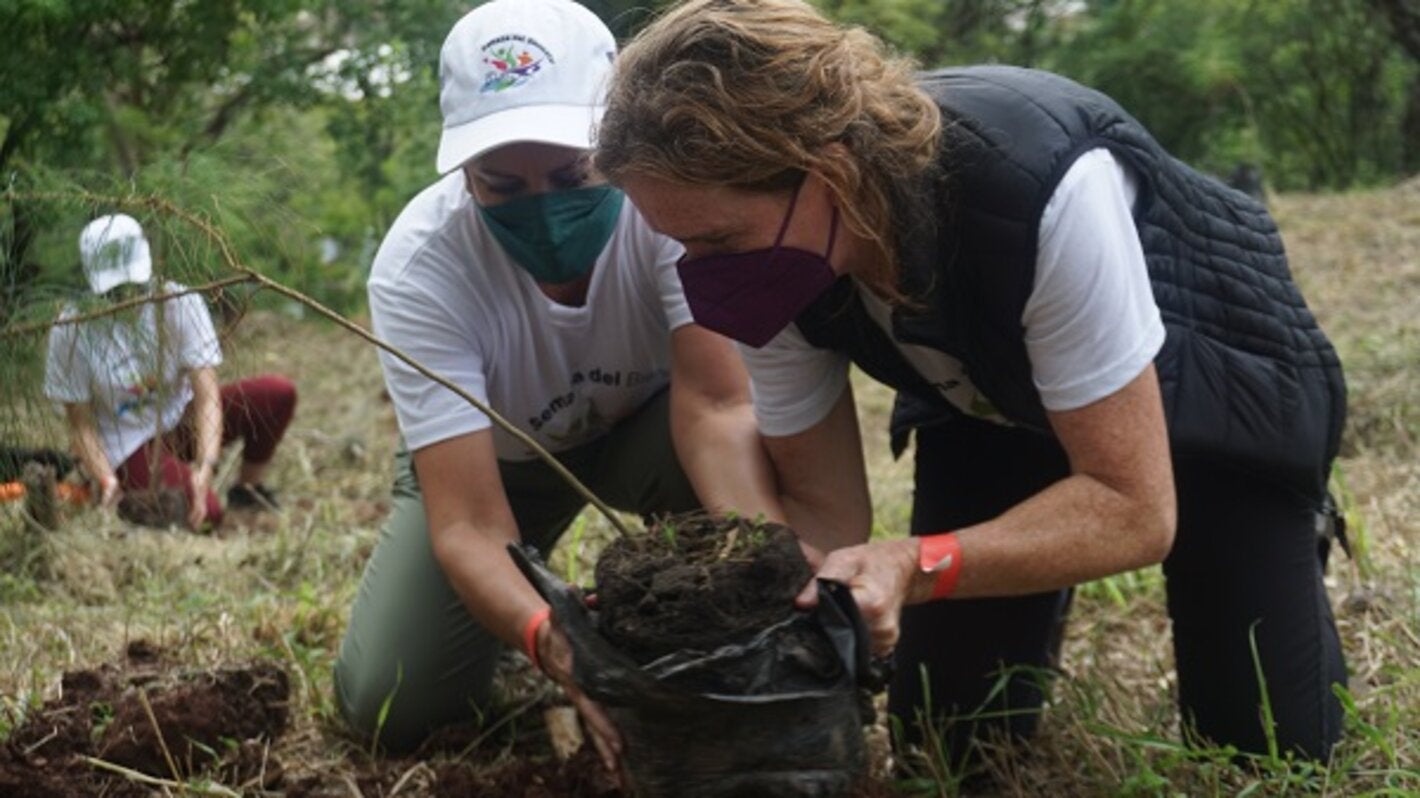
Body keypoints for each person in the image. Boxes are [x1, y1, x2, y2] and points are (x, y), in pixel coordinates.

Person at [593, 0, 1349, 763]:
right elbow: (825, 518)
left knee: (1263, 751)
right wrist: (722, 610)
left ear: (831, 171)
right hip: (992, 402)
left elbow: (1132, 509)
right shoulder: (780, 268)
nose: (701, 277)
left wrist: (914, 566)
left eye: (718, 239)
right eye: (680, 245)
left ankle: (1277, 532)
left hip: (1213, 399)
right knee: (948, 744)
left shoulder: (1036, 186)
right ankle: (1036, 558)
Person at [331, 0, 768, 763]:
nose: (547, 208)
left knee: (749, 486)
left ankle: (721, 639)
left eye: (574, 172)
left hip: (657, 431)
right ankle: (507, 622)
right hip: (498, 467)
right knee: (392, 701)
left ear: (618, 140)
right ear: (464, 172)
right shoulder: (419, 268)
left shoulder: (667, 209)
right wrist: (552, 642)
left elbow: (719, 405)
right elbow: (468, 522)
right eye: (502, 183)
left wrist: (767, 570)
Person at [44, 213, 298, 530]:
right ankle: (141, 489)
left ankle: (247, 491)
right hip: (129, 442)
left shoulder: (179, 302)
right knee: (204, 515)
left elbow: (207, 397)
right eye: (115, 290)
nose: (127, 296)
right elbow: (80, 424)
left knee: (277, 393)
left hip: (181, 421)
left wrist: (206, 465)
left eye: (134, 285)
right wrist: (106, 479)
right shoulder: (71, 329)